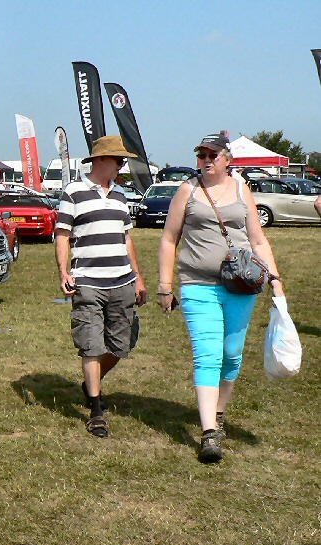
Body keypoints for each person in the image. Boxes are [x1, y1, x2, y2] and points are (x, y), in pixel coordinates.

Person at [158, 131, 284, 463]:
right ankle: (209, 433)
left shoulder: (242, 188)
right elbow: (170, 238)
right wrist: (164, 285)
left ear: (228, 159)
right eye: (202, 155)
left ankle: (220, 411)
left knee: (231, 355)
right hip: (197, 285)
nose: (206, 160)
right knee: (208, 356)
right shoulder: (188, 189)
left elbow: (257, 240)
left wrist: (276, 280)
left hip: (240, 285)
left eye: (213, 155)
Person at [55, 135, 147, 439]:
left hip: (122, 281)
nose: (122, 165)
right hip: (88, 282)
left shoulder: (120, 195)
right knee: (91, 345)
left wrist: (138, 277)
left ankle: (89, 382)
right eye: (119, 160)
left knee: (121, 346)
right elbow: (63, 235)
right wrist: (63, 272)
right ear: (101, 160)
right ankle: (95, 409)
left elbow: (126, 239)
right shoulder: (74, 192)